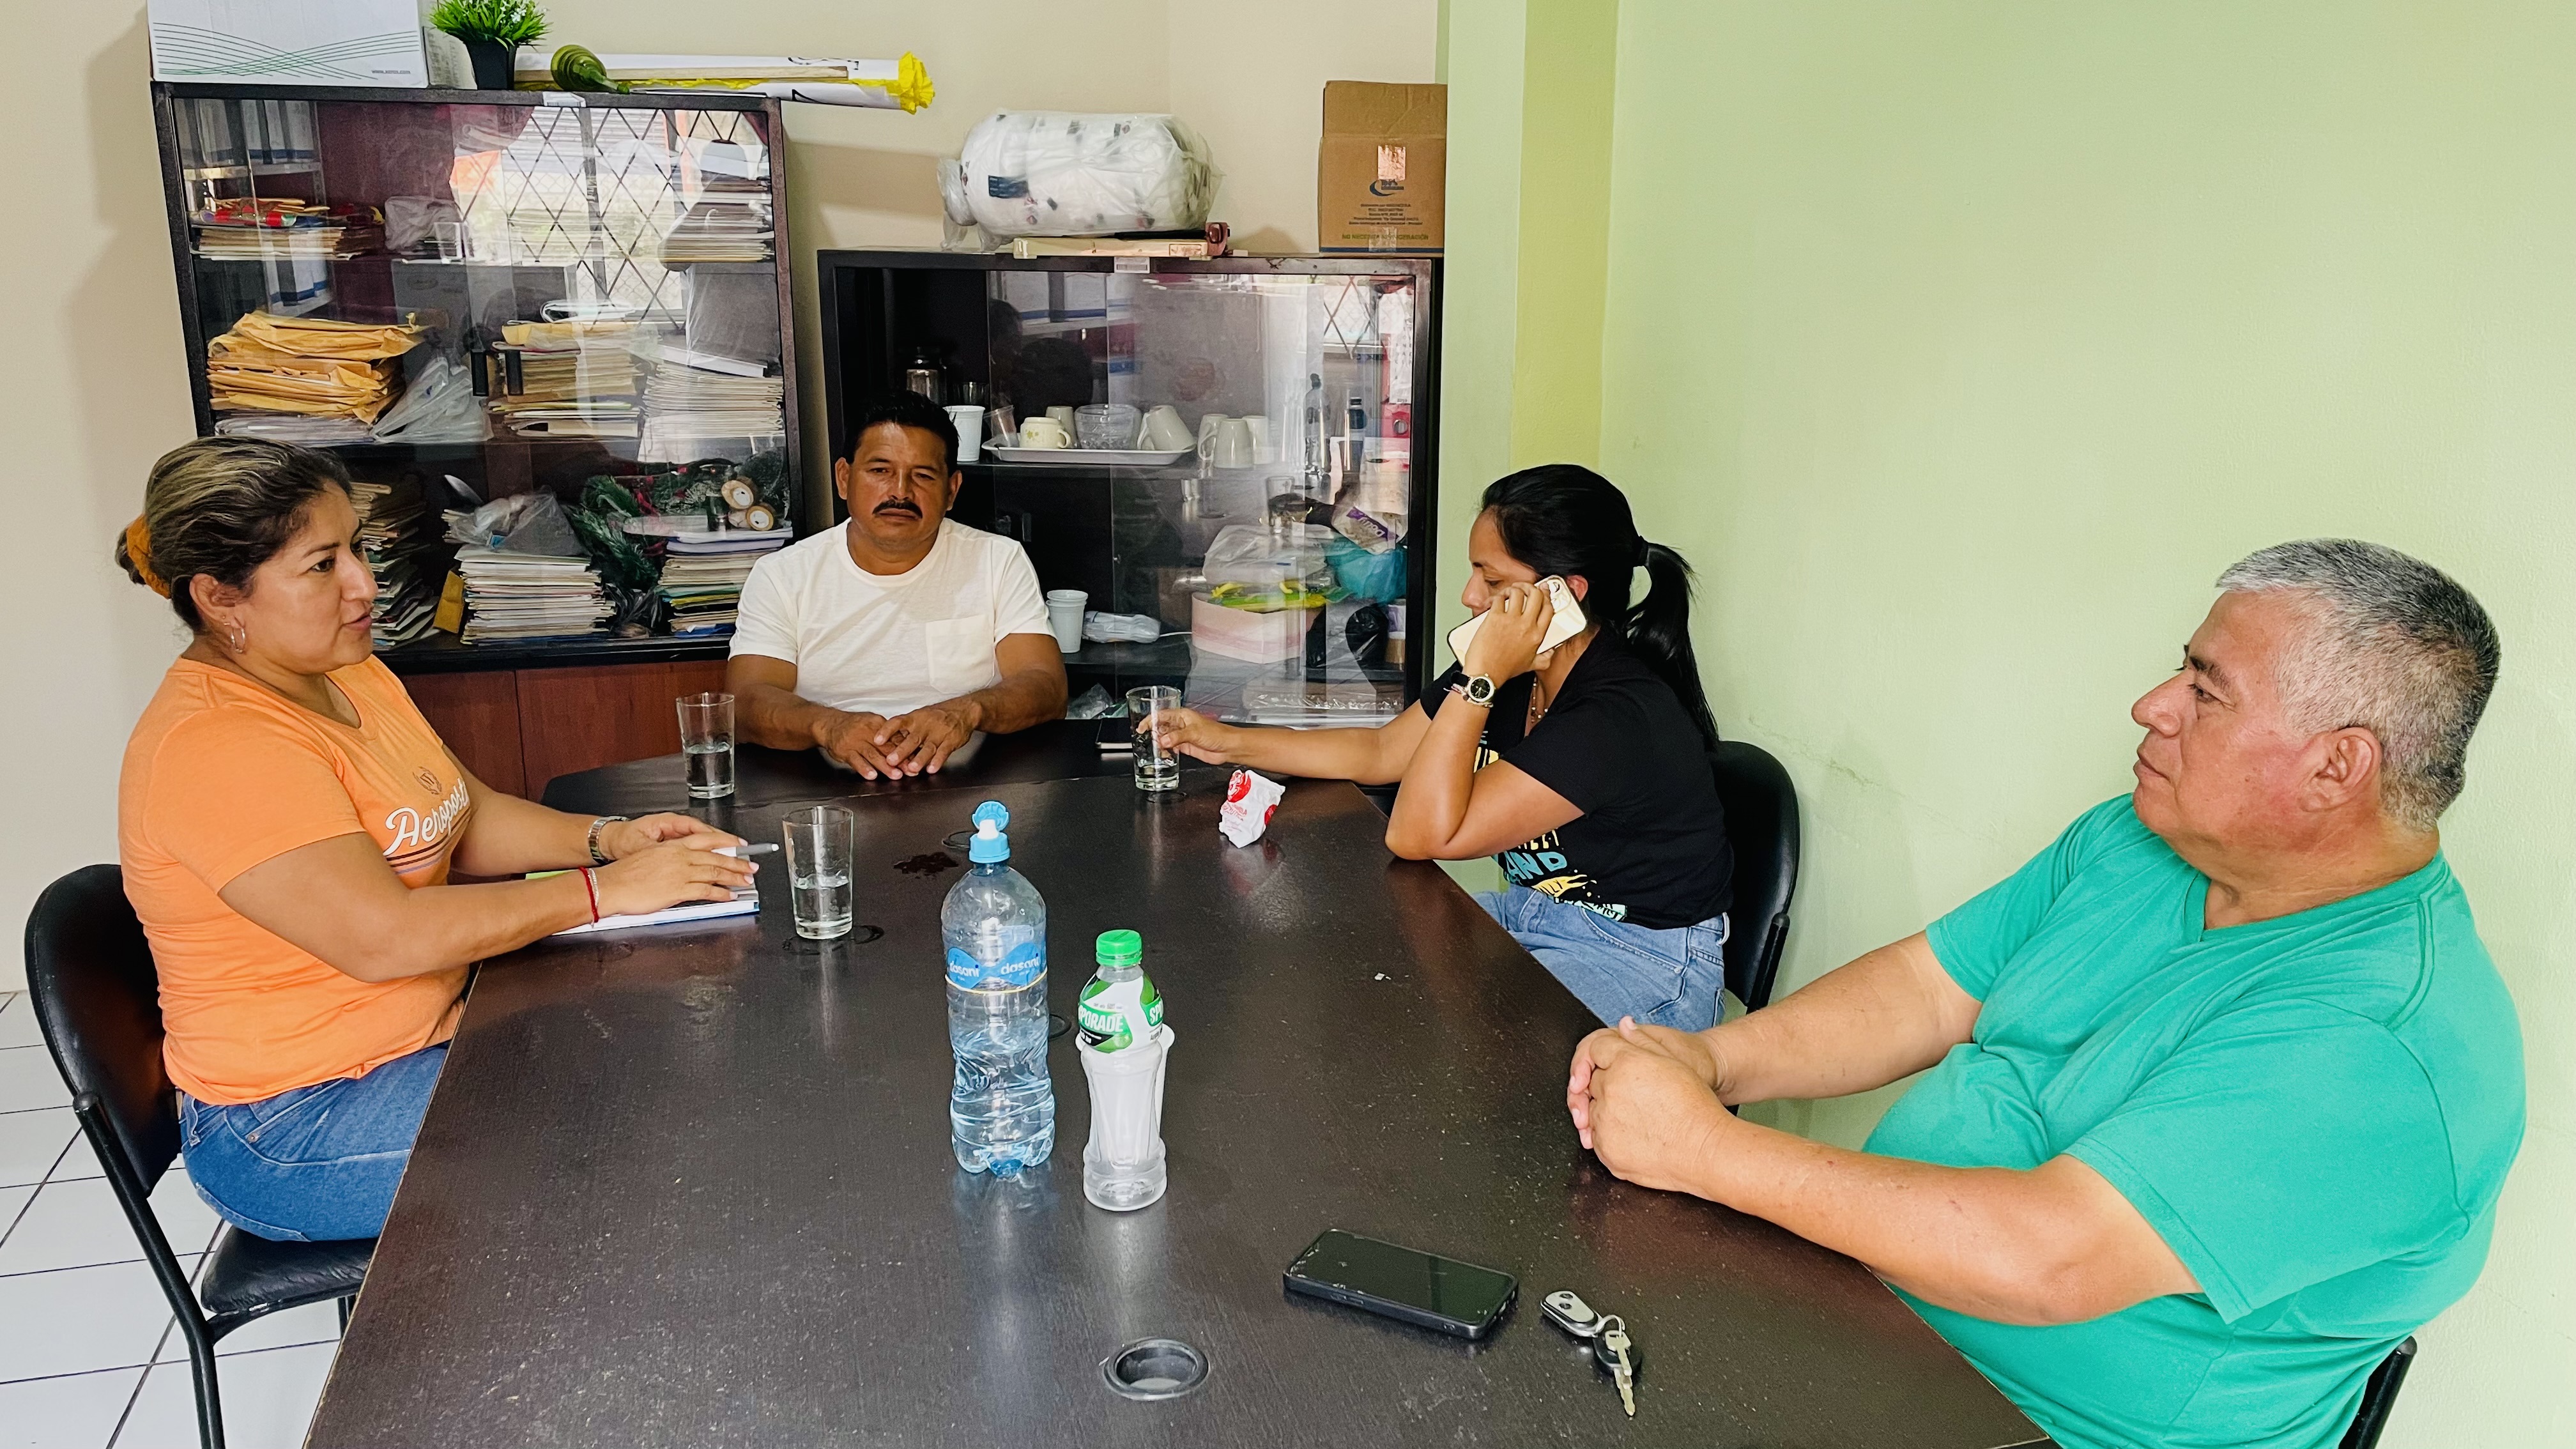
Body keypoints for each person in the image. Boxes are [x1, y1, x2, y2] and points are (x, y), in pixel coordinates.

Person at [1566, 540, 2522, 1449]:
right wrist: (1709, 1060)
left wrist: (1705, 1148)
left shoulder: (2382, 1039)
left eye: (2206, 690)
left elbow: (2051, 1259)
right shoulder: (2143, 838)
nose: (2153, 706)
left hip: (2030, 1425)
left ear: (2336, 768)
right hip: (1866, 1322)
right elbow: (1926, 988)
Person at [115, 439, 756, 1242]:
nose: (364, 583)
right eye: (323, 565)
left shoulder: (344, 670)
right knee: (630, 1128)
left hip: (430, 1031)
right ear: (219, 597)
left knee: (663, 1047)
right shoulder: (218, 745)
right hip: (294, 1119)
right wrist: (604, 894)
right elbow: (385, 938)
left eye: (356, 548)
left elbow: (465, 816)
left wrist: (610, 839)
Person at [1158, 464, 1736, 1029]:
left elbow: (1418, 836)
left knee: (1463, 1046)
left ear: (1564, 595)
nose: (1469, 595)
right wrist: (1230, 741)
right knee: (1362, 964)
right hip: (1533, 913)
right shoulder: (1514, 671)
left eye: (1492, 581)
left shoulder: (1612, 715)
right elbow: (1383, 751)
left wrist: (1481, 679)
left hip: (1640, 956)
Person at [726, 391, 1067, 778]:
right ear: (844, 478)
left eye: (923, 475)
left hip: (973, 782)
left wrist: (966, 711)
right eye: (880, 471)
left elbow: (1047, 687)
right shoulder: (782, 575)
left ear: (952, 490)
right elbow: (746, 703)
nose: (901, 492)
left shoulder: (997, 560)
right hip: (824, 788)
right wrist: (829, 726)